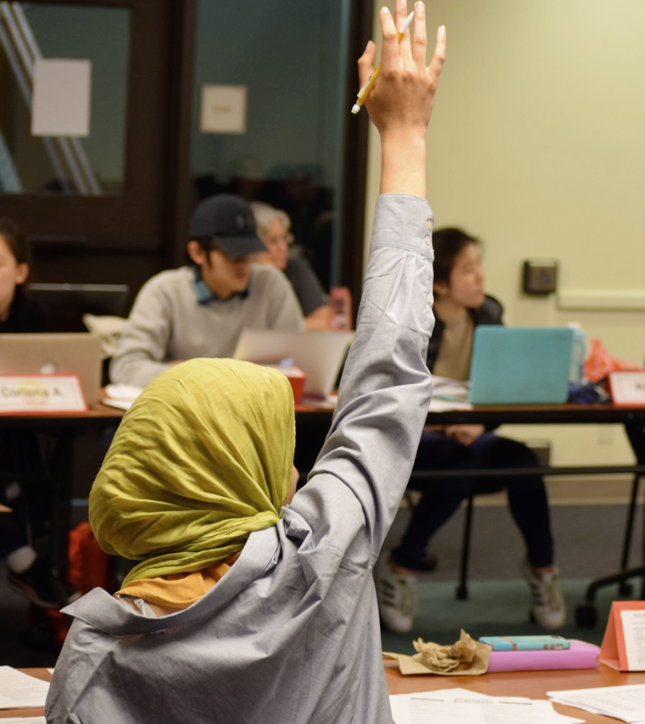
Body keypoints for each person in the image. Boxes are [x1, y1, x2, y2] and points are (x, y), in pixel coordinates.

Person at [46, 5, 445, 722]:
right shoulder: (329, 556)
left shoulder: (93, 655)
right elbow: (387, 371)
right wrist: (405, 136)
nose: (293, 468)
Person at [376, 227, 565, 633]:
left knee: (524, 462)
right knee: (458, 464)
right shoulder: (410, 319)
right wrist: (442, 426)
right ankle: (401, 566)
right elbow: (384, 393)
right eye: (467, 270)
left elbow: (503, 388)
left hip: (469, 437)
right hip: (415, 442)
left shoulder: (489, 315)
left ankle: (542, 570)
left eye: (479, 266)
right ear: (440, 284)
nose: (480, 277)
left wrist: (479, 423)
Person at [110, 194, 305, 388]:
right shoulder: (165, 291)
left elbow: (301, 360)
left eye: (250, 253)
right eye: (233, 255)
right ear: (198, 252)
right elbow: (125, 367)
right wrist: (190, 376)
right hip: (186, 412)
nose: (244, 264)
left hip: (254, 411)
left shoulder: (270, 284)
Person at [0, 218, 75, 610]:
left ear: (21, 271)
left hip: (18, 432)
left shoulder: (35, 318)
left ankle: (23, 547)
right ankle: (23, 557)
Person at [251, 201, 339, 331]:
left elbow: (326, 321)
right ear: (253, 246)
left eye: (284, 239)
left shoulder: (296, 268)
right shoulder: (242, 275)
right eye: (273, 241)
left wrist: (279, 328)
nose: (283, 247)